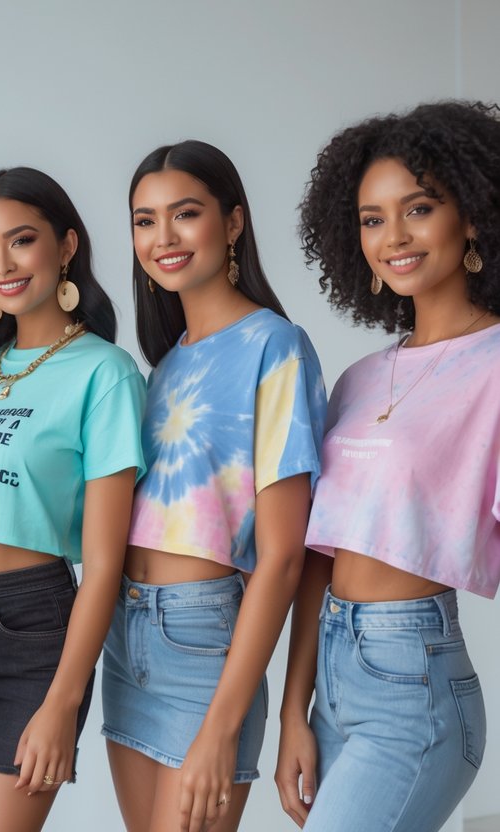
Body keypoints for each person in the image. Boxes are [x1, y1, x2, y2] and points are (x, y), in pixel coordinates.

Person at [277, 100, 498, 832]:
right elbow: (319, 558)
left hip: (414, 683)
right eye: (371, 219)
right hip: (334, 681)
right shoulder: (359, 378)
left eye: (418, 208)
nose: (392, 237)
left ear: (471, 218)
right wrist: (293, 712)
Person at [104, 141, 326, 832]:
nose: (161, 238)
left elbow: (285, 556)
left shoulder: (274, 346)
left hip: (202, 642)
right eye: (144, 220)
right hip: (124, 634)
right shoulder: (163, 364)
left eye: (184, 214)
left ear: (231, 223)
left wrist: (222, 725)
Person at [0, 167, 145, 832]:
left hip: (31, 631)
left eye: (20, 240)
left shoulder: (104, 373)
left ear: (66, 245)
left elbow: (105, 564)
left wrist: (61, 702)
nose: (1, 264)